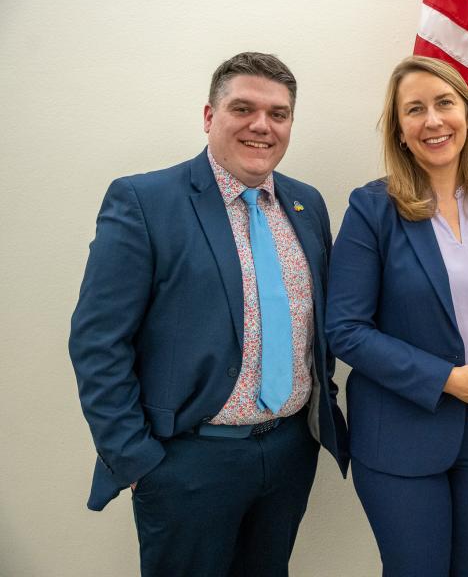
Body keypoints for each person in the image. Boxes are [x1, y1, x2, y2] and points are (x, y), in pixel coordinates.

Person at [69, 51, 348, 576]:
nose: (262, 125)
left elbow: (318, 329)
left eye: (278, 114)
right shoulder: (145, 201)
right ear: (208, 116)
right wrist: (138, 461)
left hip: (288, 454)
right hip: (188, 463)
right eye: (243, 109)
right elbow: (97, 342)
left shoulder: (306, 204)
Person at [326, 56, 468, 576]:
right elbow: (346, 330)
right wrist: (447, 379)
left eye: (444, 103)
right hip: (401, 434)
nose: (433, 121)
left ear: (467, 115)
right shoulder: (372, 209)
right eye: (415, 109)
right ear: (399, 129)